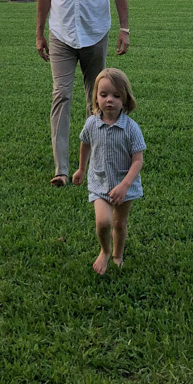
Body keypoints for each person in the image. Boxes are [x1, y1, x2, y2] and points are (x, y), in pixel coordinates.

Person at [35, 0, 129, 187]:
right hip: (61, 35)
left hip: (94, 34)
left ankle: (96, 165)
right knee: (60, 96)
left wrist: (124, 29)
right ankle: (61, 169)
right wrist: (39, 33)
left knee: (97, 100)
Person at [72, 68, 145, 275]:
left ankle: (118, 254)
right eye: (103, 95)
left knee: (119, 223)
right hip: (100, 181)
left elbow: (138, 161)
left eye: (116, 95)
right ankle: (105, 250)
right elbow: (85, 144)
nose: (109, 100)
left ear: (125, 99)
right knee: (103, 222)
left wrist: (124, 186)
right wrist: (81, 169)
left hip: (124, 184)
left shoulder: (131, 128)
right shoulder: (91, 124)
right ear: (96, 96)